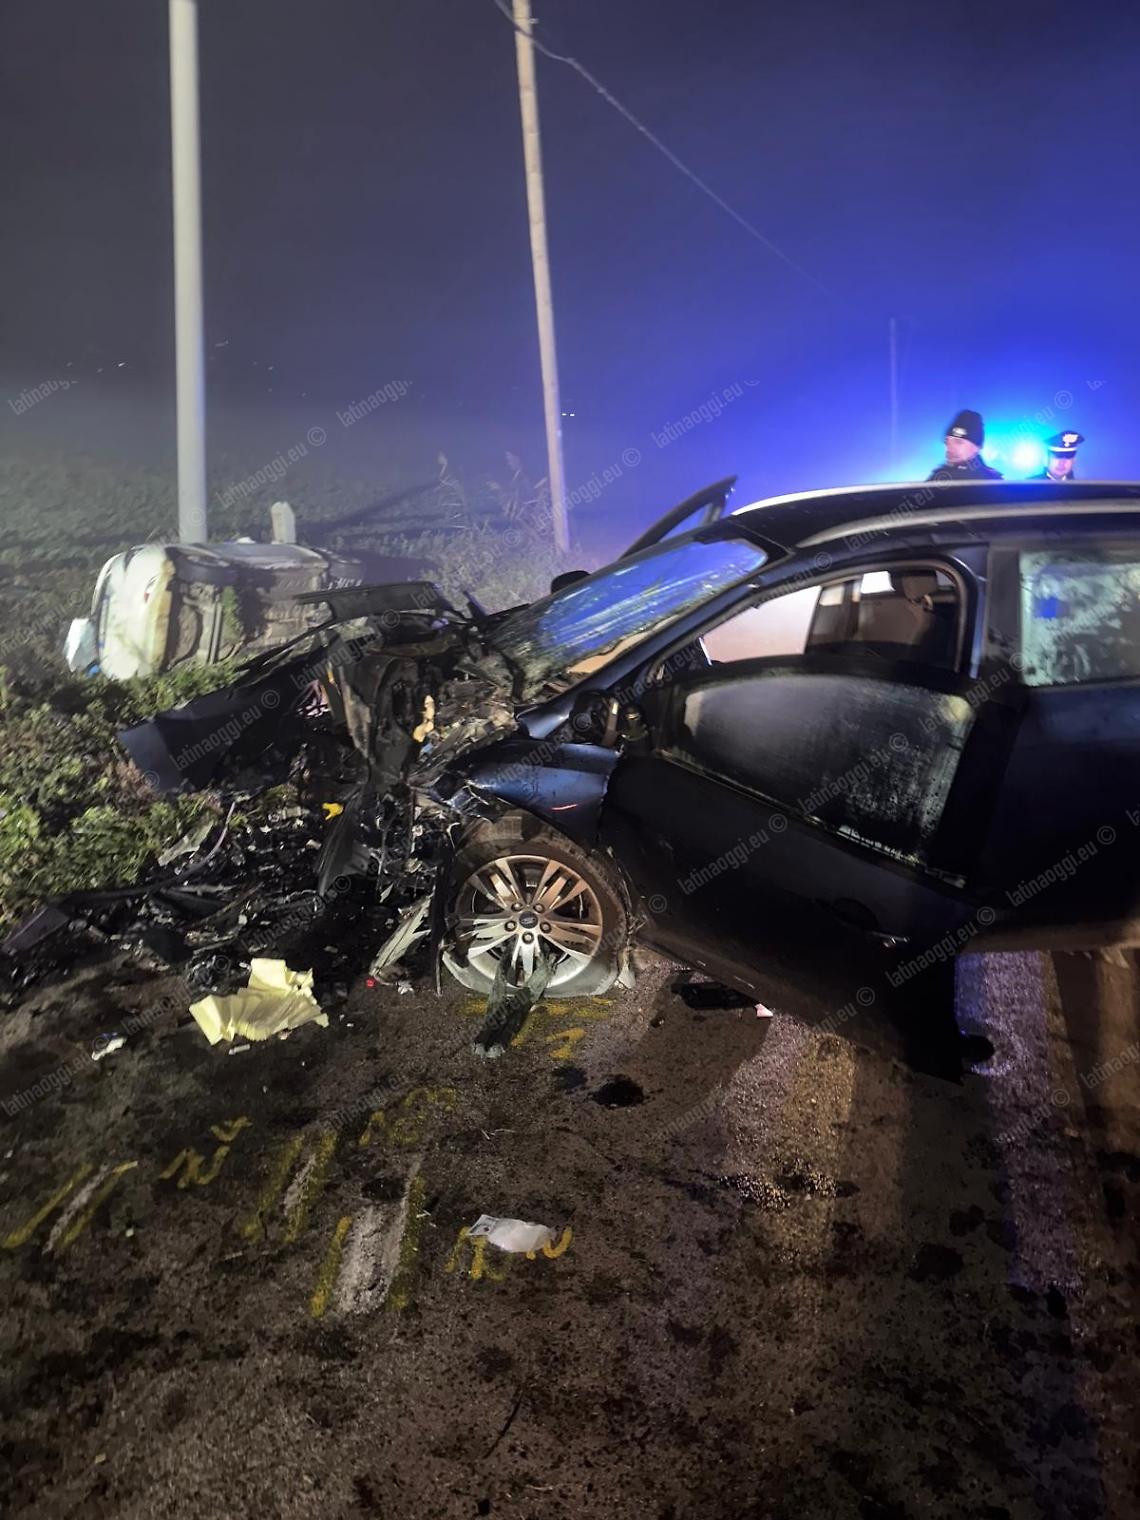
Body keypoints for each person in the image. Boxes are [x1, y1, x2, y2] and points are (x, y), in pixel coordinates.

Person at [926, 409, 1003, 481]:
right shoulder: (936, 480)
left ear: (977, 447)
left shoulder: (992, 481)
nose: (950, 449)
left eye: (958, 442)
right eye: (947, 442)